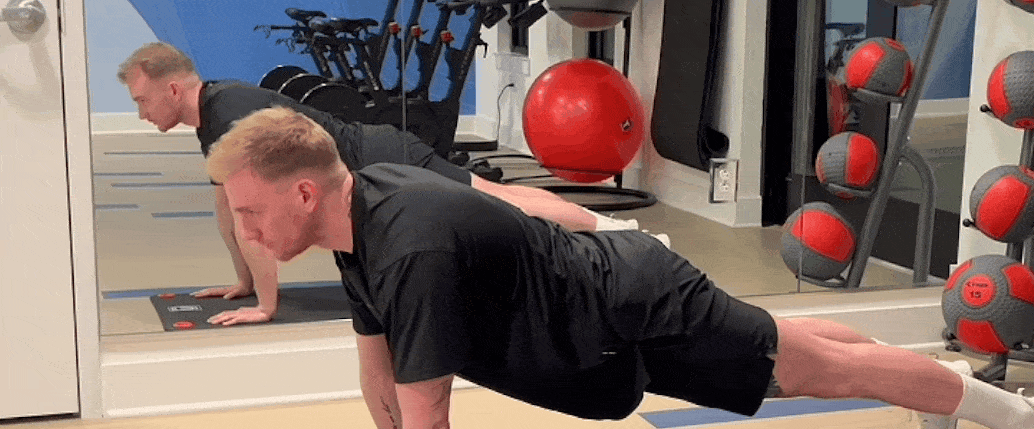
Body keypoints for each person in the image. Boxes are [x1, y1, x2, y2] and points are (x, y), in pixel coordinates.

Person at [208, 107, 1034, 429]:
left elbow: (429, 421)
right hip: (610, 304)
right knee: (795, 352)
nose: (245, 234)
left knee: (803, 371)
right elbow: (379, 371)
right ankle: (936, 393)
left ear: (306, 191)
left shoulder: (409, 251)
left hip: (634, 309)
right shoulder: (360, 224)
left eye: (249, 214)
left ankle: (1025, 420)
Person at [117, 42, 645, 327]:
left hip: (384, 159)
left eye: (142, 102)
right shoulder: (212, 114)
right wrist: (245, 284)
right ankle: (611, 229)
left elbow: (252, 219)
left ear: (171, 88)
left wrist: (266, 306)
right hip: (370, 162)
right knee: (496, 200)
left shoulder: (227, 113)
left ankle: (615, 231)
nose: (140, 113)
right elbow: (229, 211)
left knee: (499, 200)